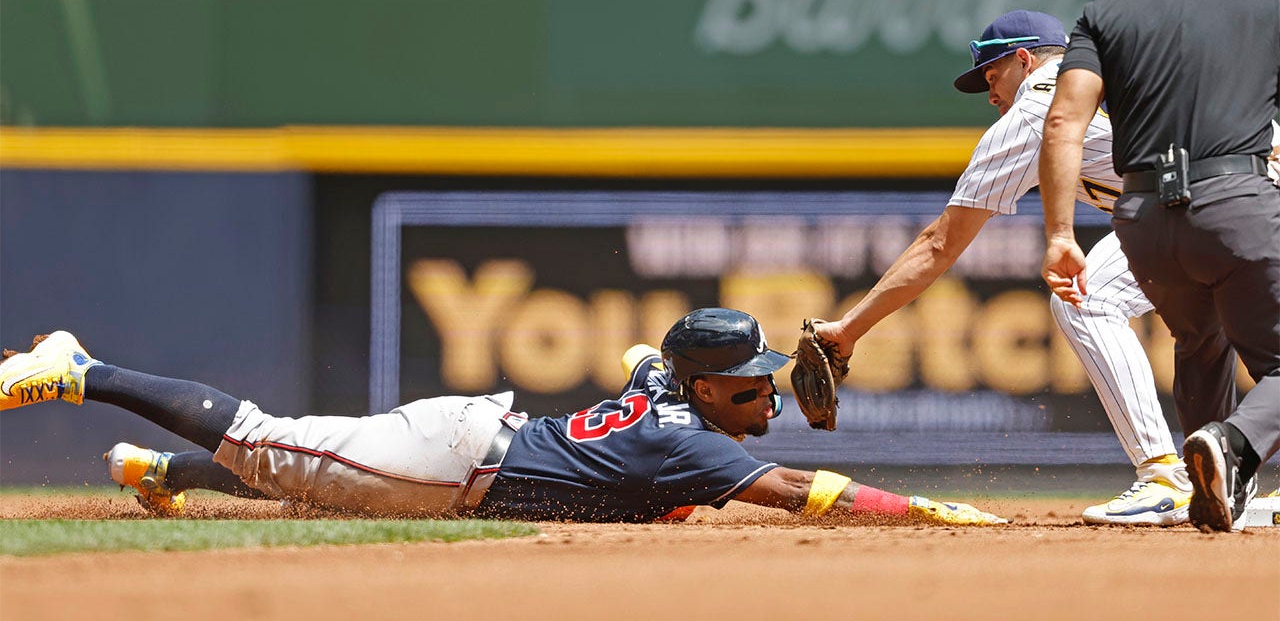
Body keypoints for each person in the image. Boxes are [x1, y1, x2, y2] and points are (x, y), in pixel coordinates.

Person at [0, 309, 1006, 525]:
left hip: (471, 440)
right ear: (703, 391)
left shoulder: (667, 387)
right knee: (266, 441)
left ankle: (159, 474)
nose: (768, 394)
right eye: (749, 383)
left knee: (297, 475)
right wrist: (916, 510)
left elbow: (645, 358)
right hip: (450, 468)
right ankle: (80, 367)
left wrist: (676, 368)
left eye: (765, 377)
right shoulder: (680, 432)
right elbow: (802, 493)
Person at [805, 9, 1201, 526]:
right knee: (1231, 323)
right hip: (1255, 191)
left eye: (993, 77)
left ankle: (1165, 477)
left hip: (1202, 206)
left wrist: (848, 329)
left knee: (1088, 298)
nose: (991, 95)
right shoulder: (1129, 75)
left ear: (1024, 60)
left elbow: (939, 244)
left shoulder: (1037, 109)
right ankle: (1240, 473)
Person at [1039, 0, 1279, 532]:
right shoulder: (1269, 0)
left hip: (1143, 217)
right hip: (1235, 201)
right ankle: (1231, 444)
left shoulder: (1104, 12)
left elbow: (1063, 121)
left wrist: (1061, 235)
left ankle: (1213, 488)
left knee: (1202, 343)